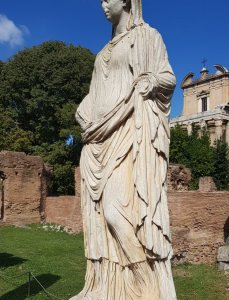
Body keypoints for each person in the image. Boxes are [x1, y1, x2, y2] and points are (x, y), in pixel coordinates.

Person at [72, 0, 176, 299]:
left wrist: (151, 82)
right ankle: (109, 287)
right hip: (97, 140)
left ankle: (146, 284)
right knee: (100, 218)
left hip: (128, 131)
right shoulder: (102, 53)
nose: (103, 5)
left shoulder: (146, 37)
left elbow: (167, 76)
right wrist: (84, 113)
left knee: (118, 213)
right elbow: (94, 94)